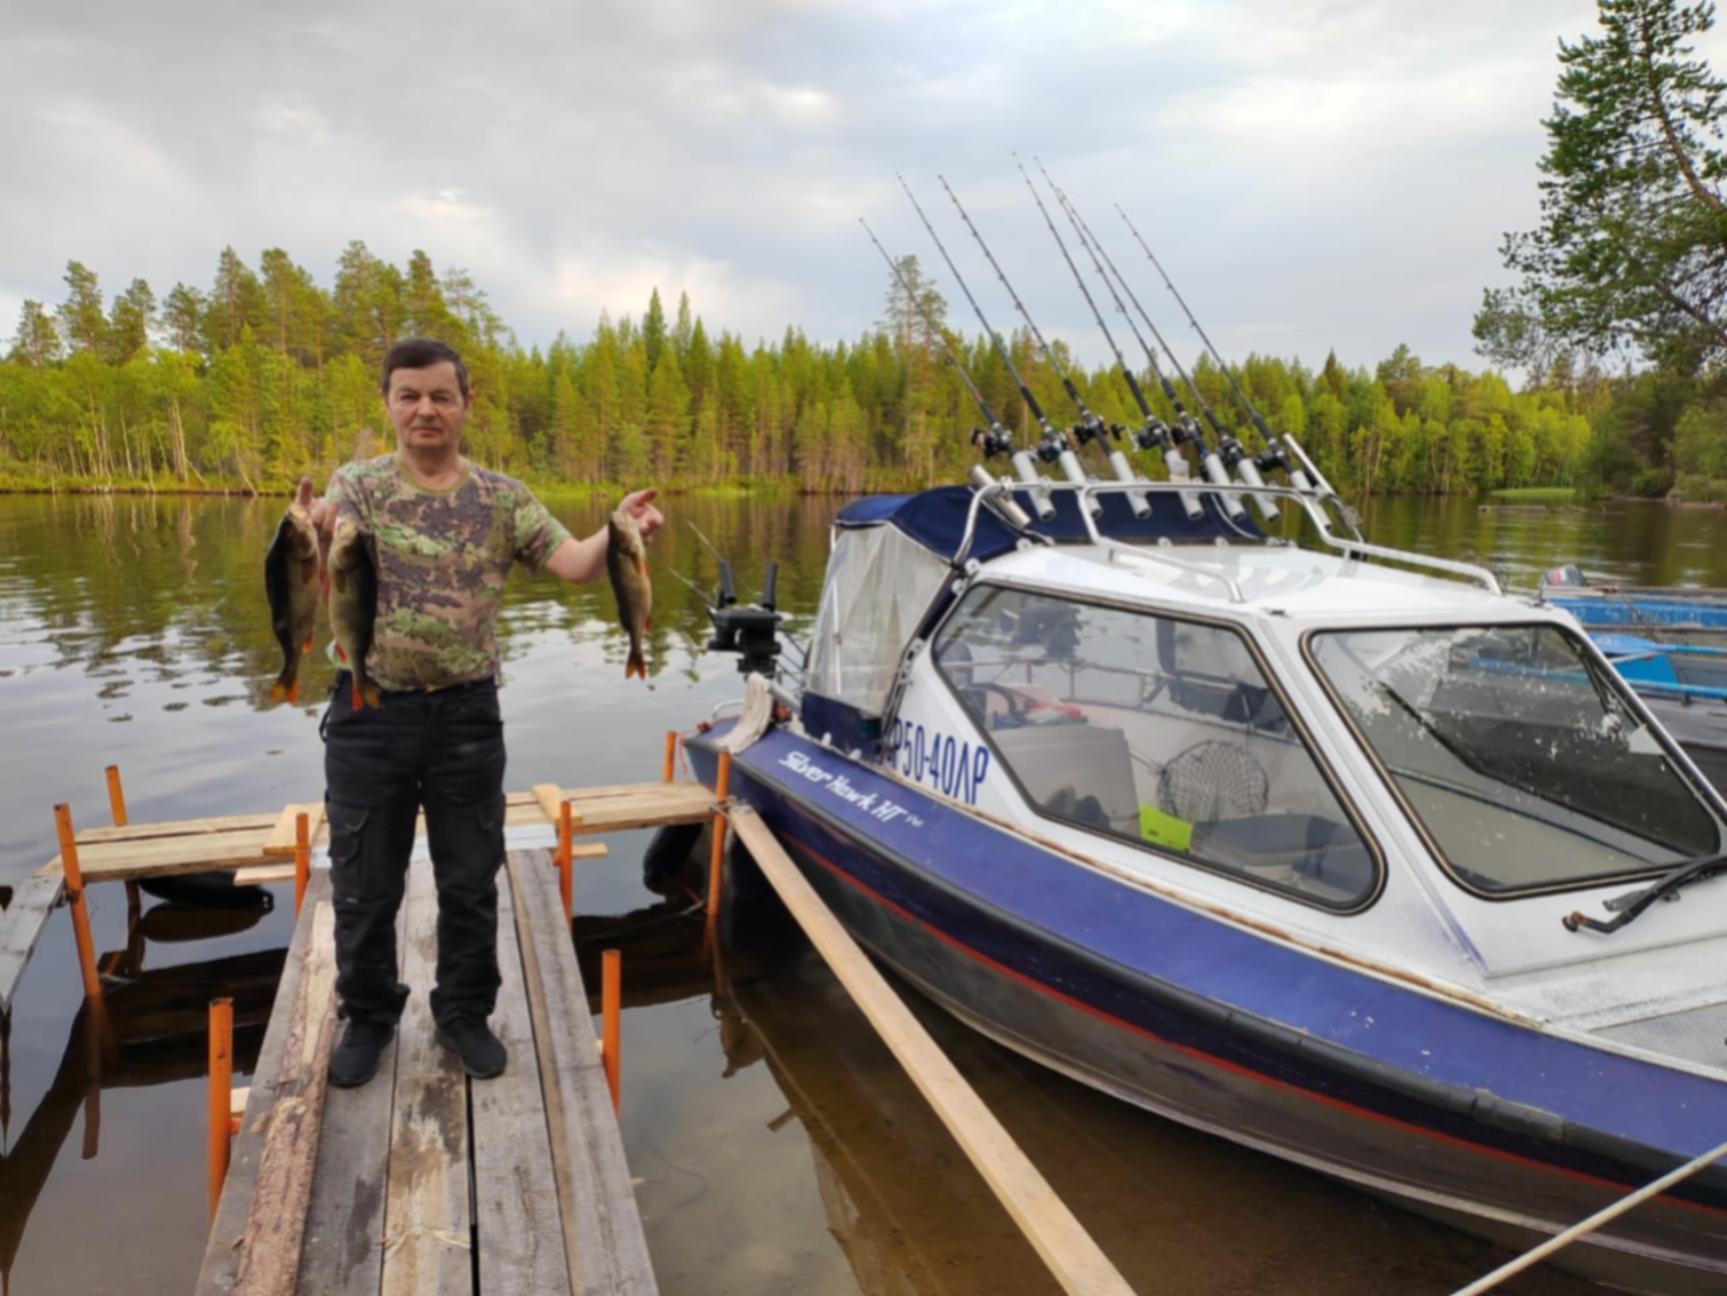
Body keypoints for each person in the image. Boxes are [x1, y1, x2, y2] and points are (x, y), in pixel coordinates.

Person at [303, 337, 664, 1088]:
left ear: (465, 404)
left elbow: (571, 564)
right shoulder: (359, 488)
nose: (425, 409)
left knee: (470, 879)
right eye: (409, 395)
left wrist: (616, 527)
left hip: (467, 716)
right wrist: (307, 529)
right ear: (389, 404)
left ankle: (463, 1012)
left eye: (440, 395)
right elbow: (320, 554)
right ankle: (367, 1016)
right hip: (370, 714)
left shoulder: (502, 497)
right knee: (366, 880)